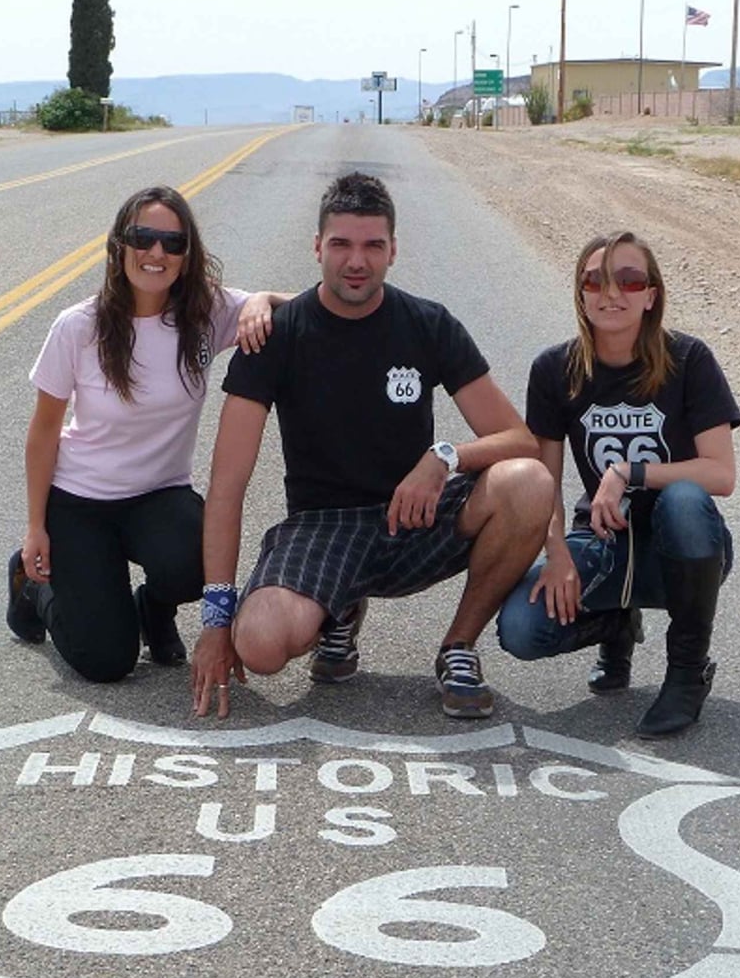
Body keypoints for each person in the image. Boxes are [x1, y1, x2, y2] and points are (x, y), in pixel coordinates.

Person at [189, 172, 552, 720]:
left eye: (372, 246)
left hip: (413, 518)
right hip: (322, 527)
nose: (355, 261)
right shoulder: (276, 337)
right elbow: (226, 486)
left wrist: (443, 457)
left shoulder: (428, 325)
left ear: (392, 251)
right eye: (341, 244)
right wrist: (217, 621)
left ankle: (459, 647)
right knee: (260, 644)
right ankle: (336, 614)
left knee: (529, 481)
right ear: (317, 248)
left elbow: (520, 439)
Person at [4, 185, 292, 682]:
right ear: (119, 245)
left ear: (187, 254)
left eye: (172, 243)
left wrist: (262, 299)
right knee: (106, 663)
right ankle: (35, 589)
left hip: (159, 495)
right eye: (143, 237)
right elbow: (44, 432)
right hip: (80, 502)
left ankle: (153, 608)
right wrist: (36, 528)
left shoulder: (205, 314)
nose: (156, 252)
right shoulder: (78, 327)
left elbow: (308, 306)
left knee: (200, 562)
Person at [495, 231, 740, 738]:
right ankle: (615, 624)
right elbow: (546, 476)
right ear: (580, 294)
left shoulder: (689, 360)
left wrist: (627, 471)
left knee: (685, 499)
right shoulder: (554, 369)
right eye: (596, 280)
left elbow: (721, 473)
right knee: (521, 630)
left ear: (651, 295)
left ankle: (687, 672)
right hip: (605, 541)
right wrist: (557, 552)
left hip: (686, 548)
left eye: (629, 280)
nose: (612, 293)